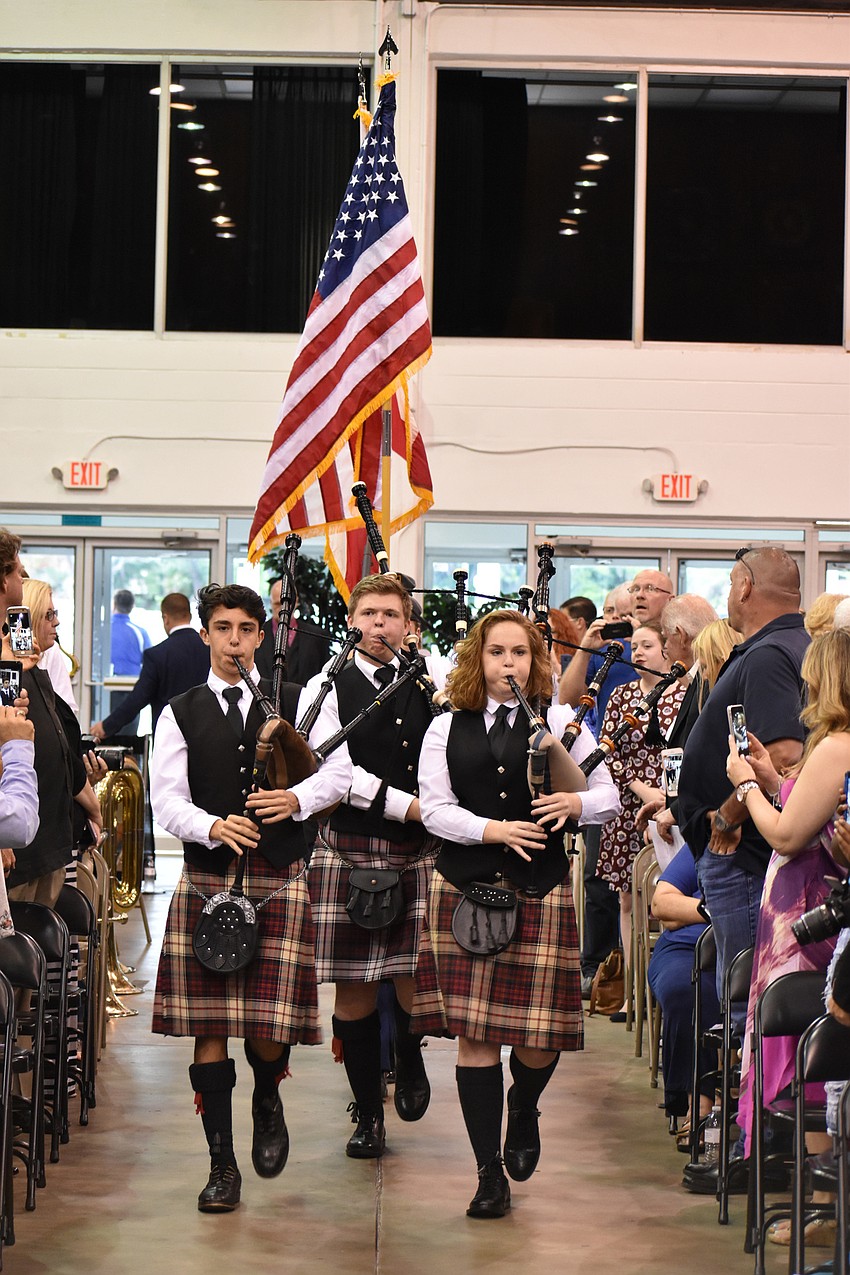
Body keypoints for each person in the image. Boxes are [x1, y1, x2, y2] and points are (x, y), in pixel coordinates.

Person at [151, 583, 351, 1214]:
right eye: (222, 628)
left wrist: (296, 799)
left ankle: (268, 1092)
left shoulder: (298, 700)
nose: (233, 640)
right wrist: (211, 826)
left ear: (262, 636)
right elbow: (166, 800)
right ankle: (221, 1165)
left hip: (279, 877)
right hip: (210, 878)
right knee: (209, 1028)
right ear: (205, 635)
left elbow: (339, 774)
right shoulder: (179, 711)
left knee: (267, 1027)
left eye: (245, 629)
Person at [414, 610, 618, 1218]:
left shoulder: (559, 722)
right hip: (466, 888)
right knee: (474, 1038)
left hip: (541, 888)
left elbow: (607, 796)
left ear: (537, 661)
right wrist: (493, 830)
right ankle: (487, 1174)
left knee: (538, 1037)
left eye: (521, 653)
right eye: (497, 652)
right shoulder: (445, 727)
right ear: (478, 660)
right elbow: (433, 809)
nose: (509, 664)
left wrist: (574, 799)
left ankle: (524, 1105)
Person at [304, 573, 438, 1159]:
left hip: (421, 850)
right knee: (354, 989)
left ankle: (408, 1058)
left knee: (412, 978)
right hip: (350, 842)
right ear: (351, 621)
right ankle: (366, 1111)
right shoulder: (326, 682)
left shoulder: (428, 678)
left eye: (391, 615)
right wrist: (402, 804)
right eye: (369, 614)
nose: (379, 624)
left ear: (408, 624)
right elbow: (332, 767)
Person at [722, 631, 850, 1171]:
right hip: (809, 899)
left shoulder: (838, 746)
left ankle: (820, 1195)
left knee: (808, 1048)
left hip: (805, 910)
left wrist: (746, 786)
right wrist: (776, 779)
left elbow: (785, 836)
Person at [677, 548, 809, 1048]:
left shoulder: (773, 653)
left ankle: (746, 1123)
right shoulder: (788, 645)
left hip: (745, 855)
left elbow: (783, 752)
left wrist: (728, 816)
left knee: (746, 1002)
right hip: (749, 851)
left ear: (746, 587)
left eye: (732, 583)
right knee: (746, 996)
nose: (729, 595)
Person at [596, 621, 686, 1001]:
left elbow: (683, 749)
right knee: (628, 898)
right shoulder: (621, 696)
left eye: (646, 645)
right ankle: (635, 992)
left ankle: (664, 983)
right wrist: (639, 787)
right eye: (634, 647)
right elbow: (605, 752)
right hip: (627, 804)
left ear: (665, 650)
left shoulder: (680, 694)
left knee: (670, 895)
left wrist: (666, 794)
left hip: (671, 804)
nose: (639, 653)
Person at [3, 579, 102, 903]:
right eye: (48, 615)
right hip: (22, 845)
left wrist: (89, 801)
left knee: (49, 946)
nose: (56, 622)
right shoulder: (11, 677)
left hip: (49, 838)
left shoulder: (36, 674)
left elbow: (60, 749)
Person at [634, 596, 719, 844]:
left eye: (665, 637)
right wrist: (669, 802)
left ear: (680, 635)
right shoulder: (700, 680)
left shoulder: (710, 681)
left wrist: (677, 808)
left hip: (703, 828)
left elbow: (708, 761)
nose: (665, 649)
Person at [648, 846, 720, 1131]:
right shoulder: (705, 844)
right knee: (687, 992)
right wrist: (715, 909)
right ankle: (698, 1103)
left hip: (751, 950)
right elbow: (662, 905)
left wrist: (687, 910)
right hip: (685, 948)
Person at [91, 593, 210, 740]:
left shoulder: (157, 655)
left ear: (165, 618)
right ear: (190, 616)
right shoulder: (210, 650)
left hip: (168, 738)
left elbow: (138, 699)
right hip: (206, 735)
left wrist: (106, 726)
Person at [254, 579, 332, 686]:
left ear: (296, 602)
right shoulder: (255, 635)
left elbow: (325, 677)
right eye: (277, 604)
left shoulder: (317, 637)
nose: (282, 609)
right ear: (270, 603)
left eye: (287, 604)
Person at [108, 588, 151, 732]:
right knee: (129, 737)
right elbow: (149, 662)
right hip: (132, 690)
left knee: (107, 732)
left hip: (107, 689)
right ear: (132, 607)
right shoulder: (140, 632)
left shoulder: (104, 629)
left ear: (114, 604)